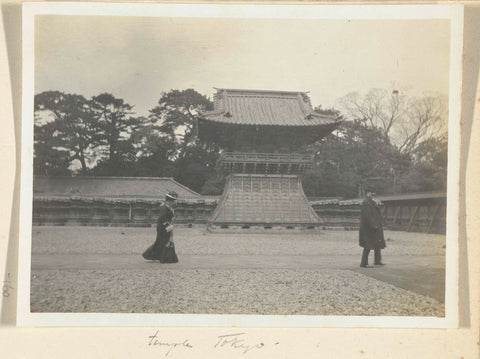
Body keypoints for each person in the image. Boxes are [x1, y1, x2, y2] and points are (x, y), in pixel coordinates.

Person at [142, 191, 179, 263]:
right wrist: (168, 226)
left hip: (164, 226)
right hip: (163, 227)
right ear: (170, 200)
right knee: (164, 241)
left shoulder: (167, 207)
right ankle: (164, 257)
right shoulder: (164, 207)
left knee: (161, 241)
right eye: (173, 200)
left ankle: (158, 256)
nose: (174, 202)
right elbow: (161, 218)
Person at [359, 191, 386, 268]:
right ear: (367, 194)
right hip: (368, 228)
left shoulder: (372, 203)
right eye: (370, 193)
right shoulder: (365, 203)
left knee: (377, 244)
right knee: (368, 245)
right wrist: (373, 225)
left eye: (372, 194)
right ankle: (363, 263)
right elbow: (367, 216)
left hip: (375, 226)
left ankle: (377, 261)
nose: (372, 195)